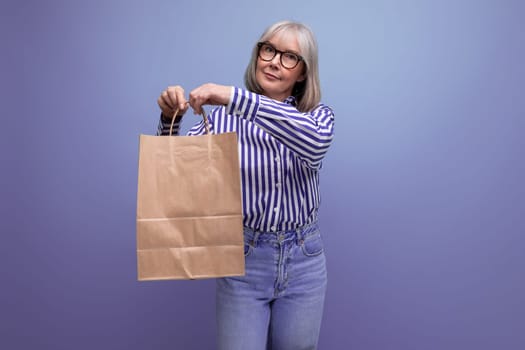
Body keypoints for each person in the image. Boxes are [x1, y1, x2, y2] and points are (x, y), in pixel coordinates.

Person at [156, 20, 334, 350]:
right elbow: (175, 175)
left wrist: (234, 97)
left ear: (303, 72)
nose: (275, 61)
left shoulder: (317, 117)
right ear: (257, 55)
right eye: (268, 49)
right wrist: (170, 120)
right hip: (245, 259)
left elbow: (315, 145)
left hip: (305, 260)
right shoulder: (224, 119)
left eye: (289, 56)